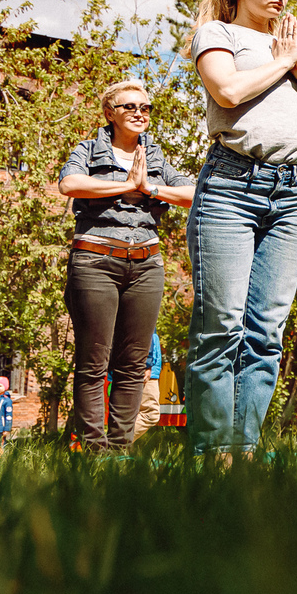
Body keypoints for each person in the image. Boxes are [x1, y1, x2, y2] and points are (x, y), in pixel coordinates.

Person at [186, 0, 297, 456]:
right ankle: (212, 456)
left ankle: (245, 449)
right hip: (232, 188)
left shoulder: (294, 47)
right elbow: (228, 92)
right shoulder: (219, 34)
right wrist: (282, 63)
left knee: (266, 333)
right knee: (222, 327)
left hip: (290, 193)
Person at [58, 79, 196, 451]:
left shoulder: (156, 157)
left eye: (146, 108)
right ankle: (93, 451)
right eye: (130, 107)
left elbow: (193, 193)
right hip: (96, 260)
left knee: (134, 365)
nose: (140, 113)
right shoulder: (87, 150)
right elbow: (70, 184)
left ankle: (118, 451)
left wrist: (150, 187)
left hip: (146, 265)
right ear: (109, 113)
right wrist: (125, 185)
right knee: (93, 361)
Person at [136, 333, 163, 436]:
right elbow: (145, 329)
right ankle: (114, 446)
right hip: (147, 368)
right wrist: (147, 364)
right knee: (150, 414)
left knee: (129, 414)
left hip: (145, 365)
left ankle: (118, 448)